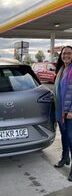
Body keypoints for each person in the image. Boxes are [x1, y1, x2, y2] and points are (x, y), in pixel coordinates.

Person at [54, 45, 72, 181]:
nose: (66, 55)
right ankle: (65, 157)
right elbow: (58, 90)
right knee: (64, 137)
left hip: (70, 112)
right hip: (61, 111)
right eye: (64, 53)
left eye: (69, 53)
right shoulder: (61, 69)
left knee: (71, 139)